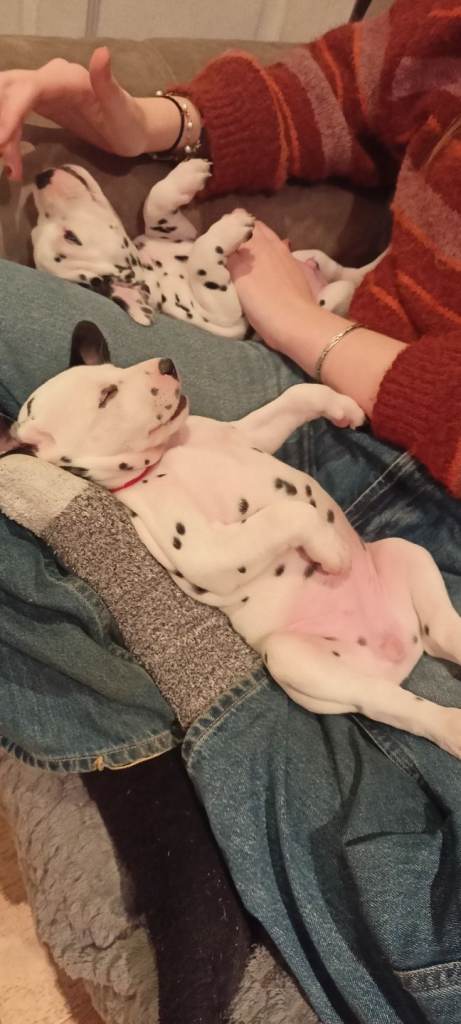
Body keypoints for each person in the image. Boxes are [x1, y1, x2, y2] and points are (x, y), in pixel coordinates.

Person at [2, 1, 461, 1020]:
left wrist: (315, 340)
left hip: (401, 472)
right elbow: (353, 86)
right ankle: (184, 828)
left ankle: (203, 832)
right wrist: (148, 123)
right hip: (315, 417)